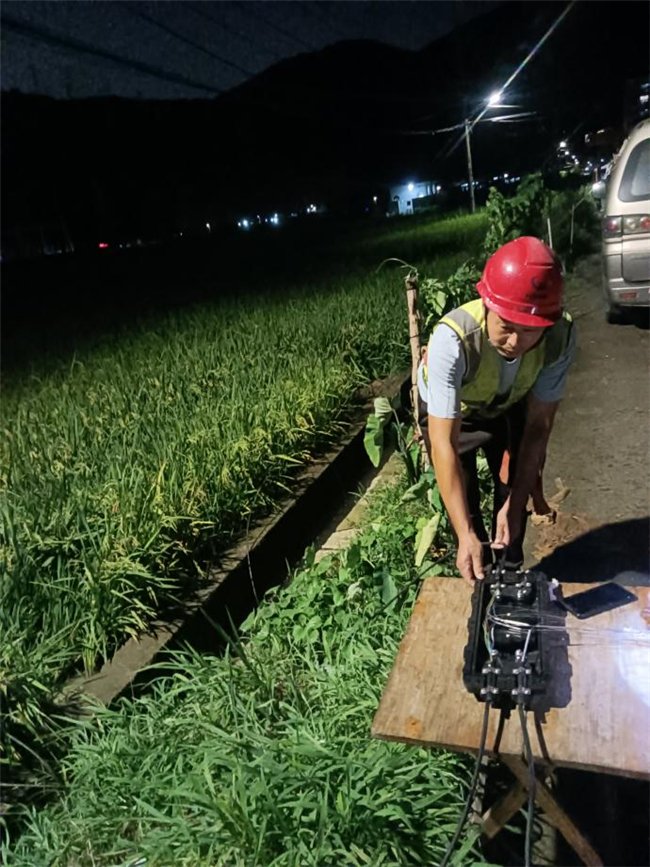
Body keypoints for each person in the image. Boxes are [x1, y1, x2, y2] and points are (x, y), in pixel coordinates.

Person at [417, 236, 576, 584]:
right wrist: (463, 533)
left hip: (508, 401)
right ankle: (475, 568)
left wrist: (518, 504)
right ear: (487, 306)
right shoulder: (452, 340)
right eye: (506, 327)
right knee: (465, 501)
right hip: (455, 411)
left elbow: (538, 427)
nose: (516, 342)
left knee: (513, 485)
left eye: (530, 331)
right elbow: (443, 442)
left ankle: (509, 569)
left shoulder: (559, 337)